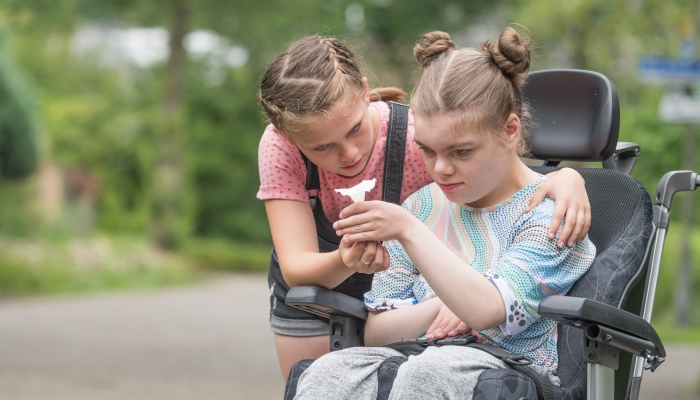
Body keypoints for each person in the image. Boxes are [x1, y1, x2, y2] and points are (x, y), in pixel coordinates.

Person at [257, 34, 592, 379]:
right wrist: (431, 293)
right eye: (428, 151)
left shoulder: (421, 142)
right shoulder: (421, 205)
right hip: (362, 299)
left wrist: (570, 177)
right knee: (323, 374)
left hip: (486, 365)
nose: (350, 154)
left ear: (364, 92)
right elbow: (373, 329)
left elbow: (499, 165)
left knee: (427, 371)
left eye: (458, 152)